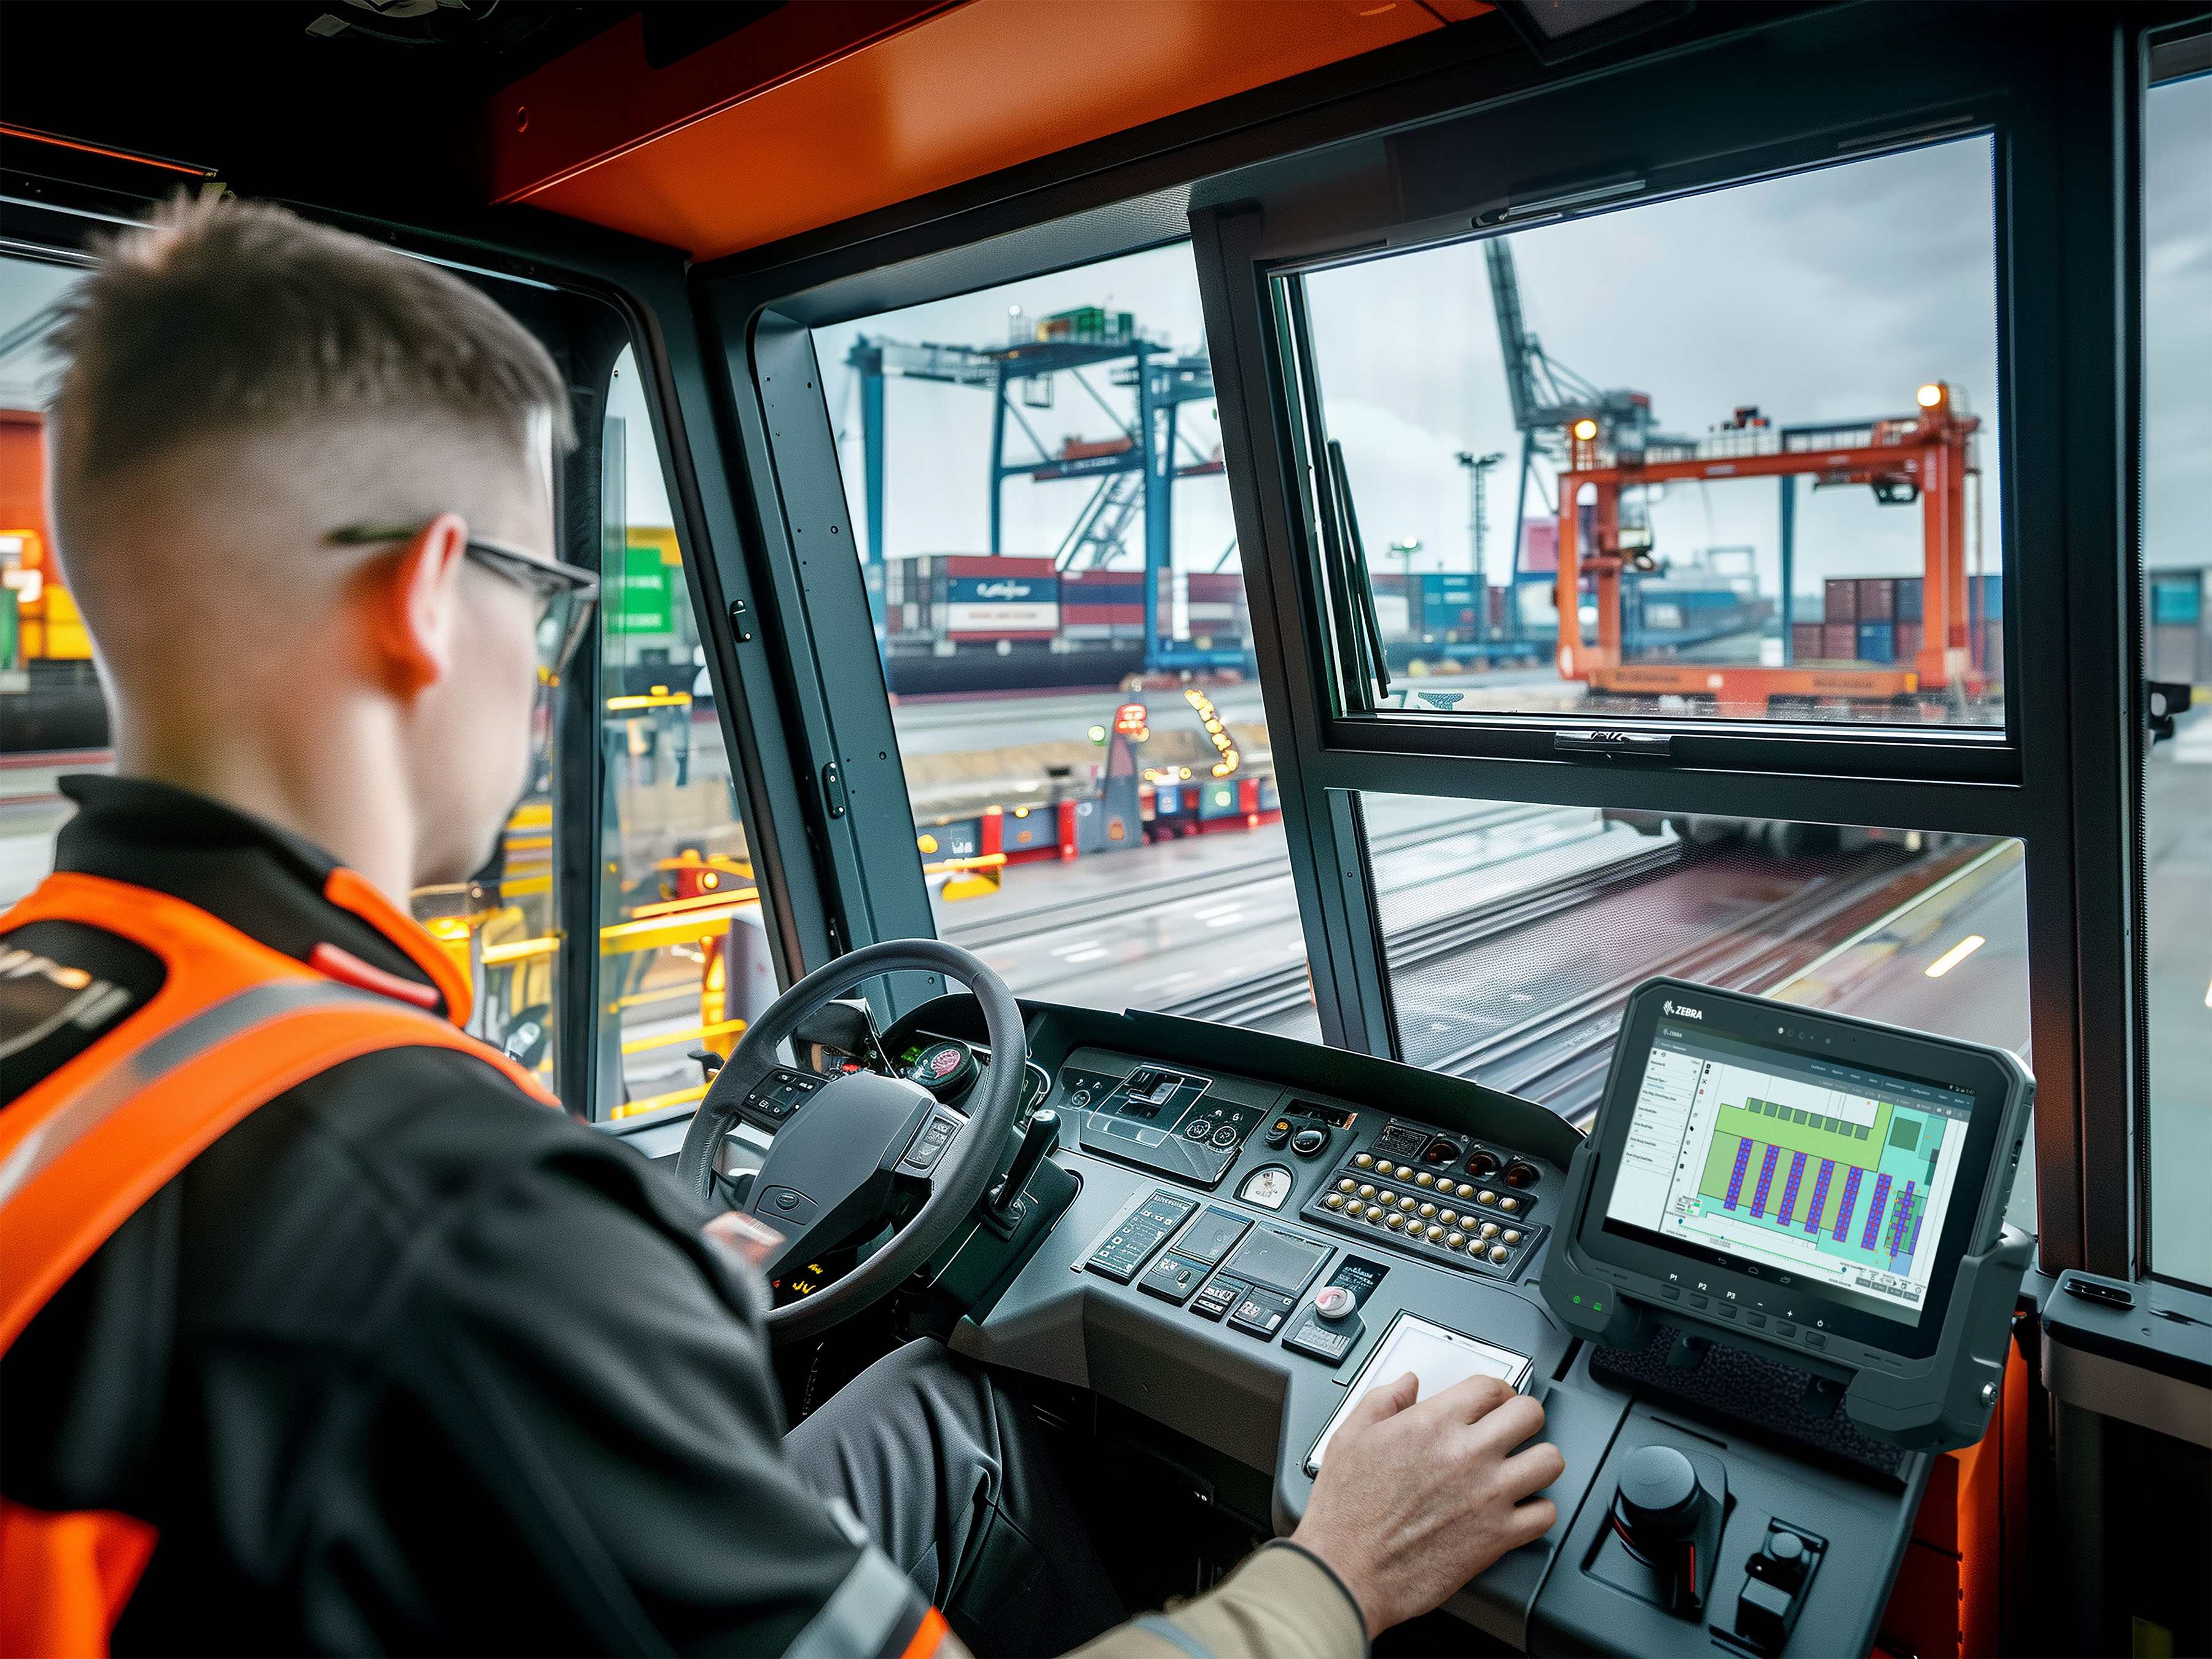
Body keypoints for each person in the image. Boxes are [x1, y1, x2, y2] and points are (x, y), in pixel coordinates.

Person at [0, 195, 1565, 1658]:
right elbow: (432, 1273)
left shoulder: (75, 998)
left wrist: (636, 1317)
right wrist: (1336, 1572)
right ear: (426, 599)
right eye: (544, 597)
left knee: (956, 1416)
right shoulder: (457, 1218)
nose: (544, 665)